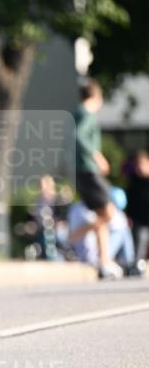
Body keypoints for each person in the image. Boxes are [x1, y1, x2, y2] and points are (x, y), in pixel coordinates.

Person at [69, 79, 122, 279]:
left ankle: (105, 261)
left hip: (82, 171)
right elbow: (79, 136)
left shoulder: (77, 112)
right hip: (87, 171)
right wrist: (96, 157)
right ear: (96, 97)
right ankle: (73, 237)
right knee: (109, 213)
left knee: (102, 215)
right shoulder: (86, 113)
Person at [127, 149, 149, 262]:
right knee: (139, 241)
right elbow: (130, 201)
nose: (140, 167)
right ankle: (136, 264)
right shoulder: (134, 181)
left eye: (142, 164)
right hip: (139, 220)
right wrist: (129, 216)